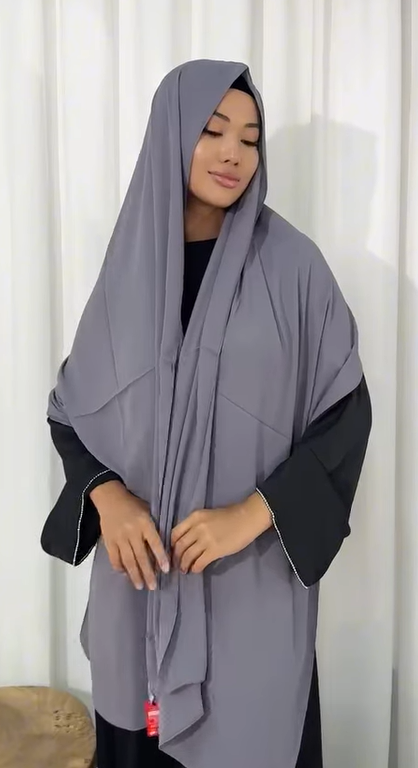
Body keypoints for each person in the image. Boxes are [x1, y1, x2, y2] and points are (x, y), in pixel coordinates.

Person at [42, 59, 372, 768]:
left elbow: (345, 414)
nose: (234, 154)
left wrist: (253, 513)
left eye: (250, 138)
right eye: (213, 130)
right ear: (171, 133)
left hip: (247, 587)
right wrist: (107, 497)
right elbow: (74, 410)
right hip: (139, 587)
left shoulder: (294, 267)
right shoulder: (127, 267)